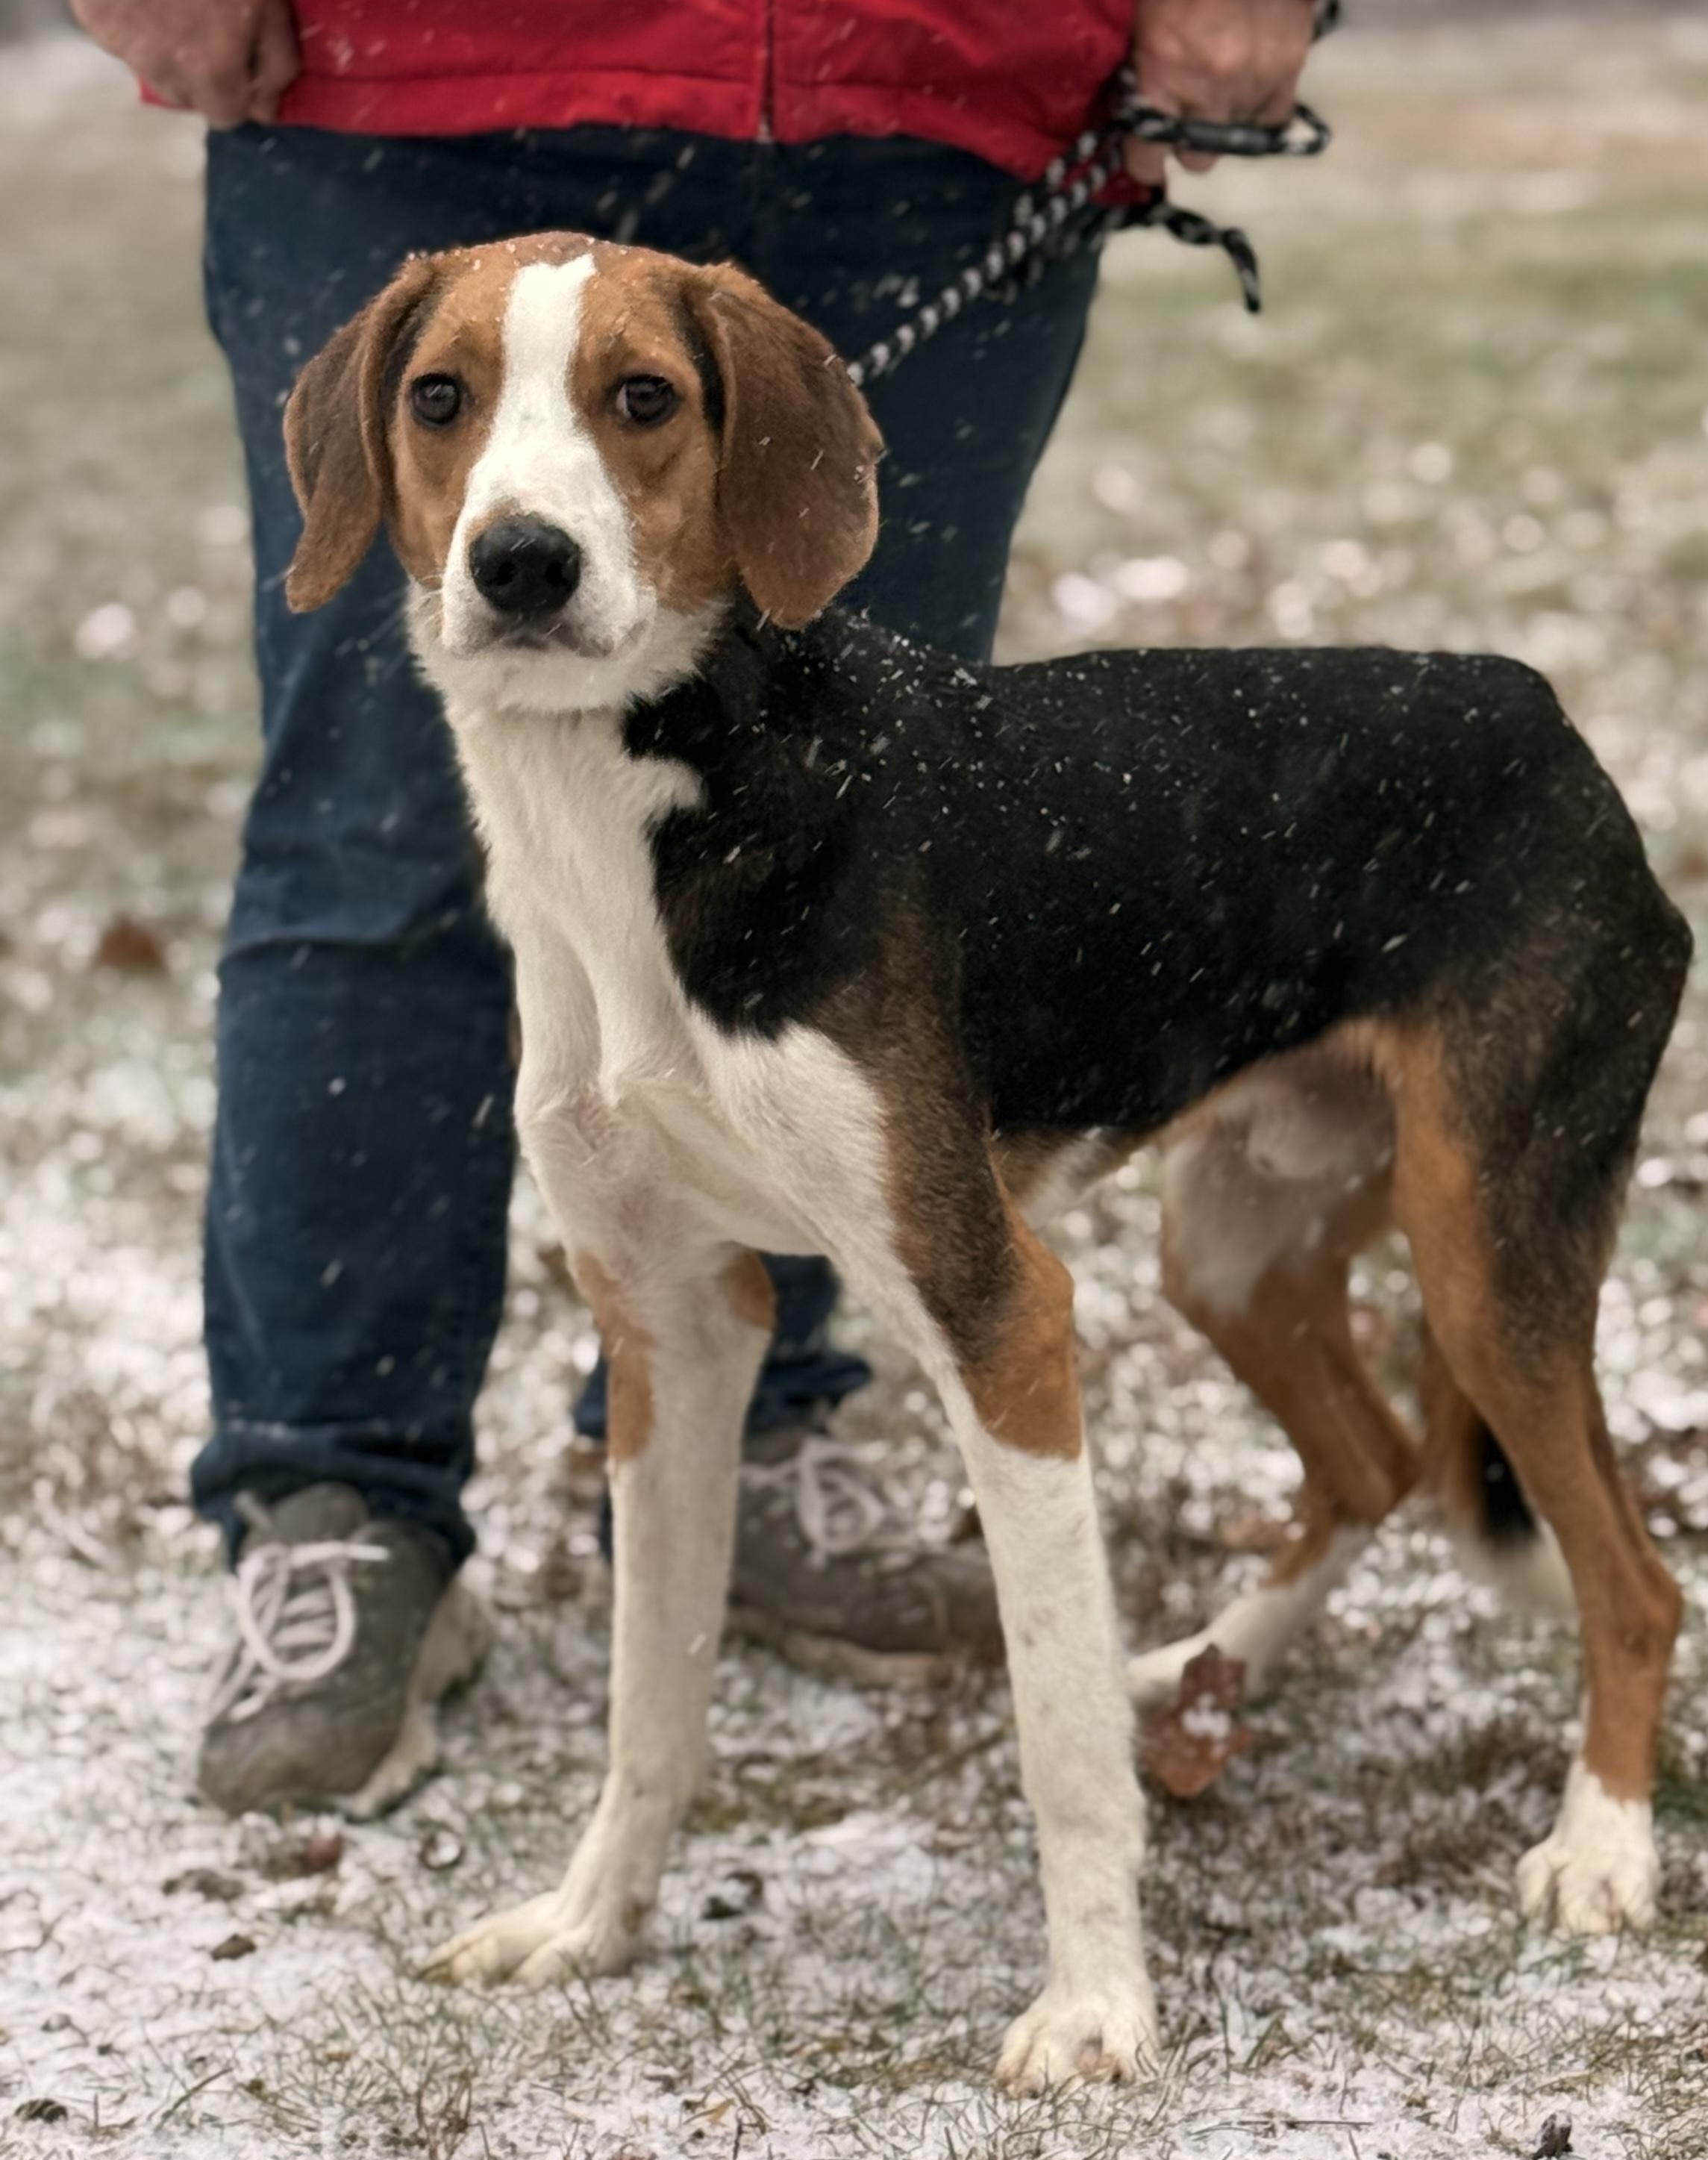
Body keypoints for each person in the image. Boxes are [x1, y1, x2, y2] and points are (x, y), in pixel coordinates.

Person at [69, 0, 1321, 1815]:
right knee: (373, 845)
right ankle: (336, 1497)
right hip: (415, 67)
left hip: (928, 81)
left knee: (864, 828)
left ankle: (764, 1412)